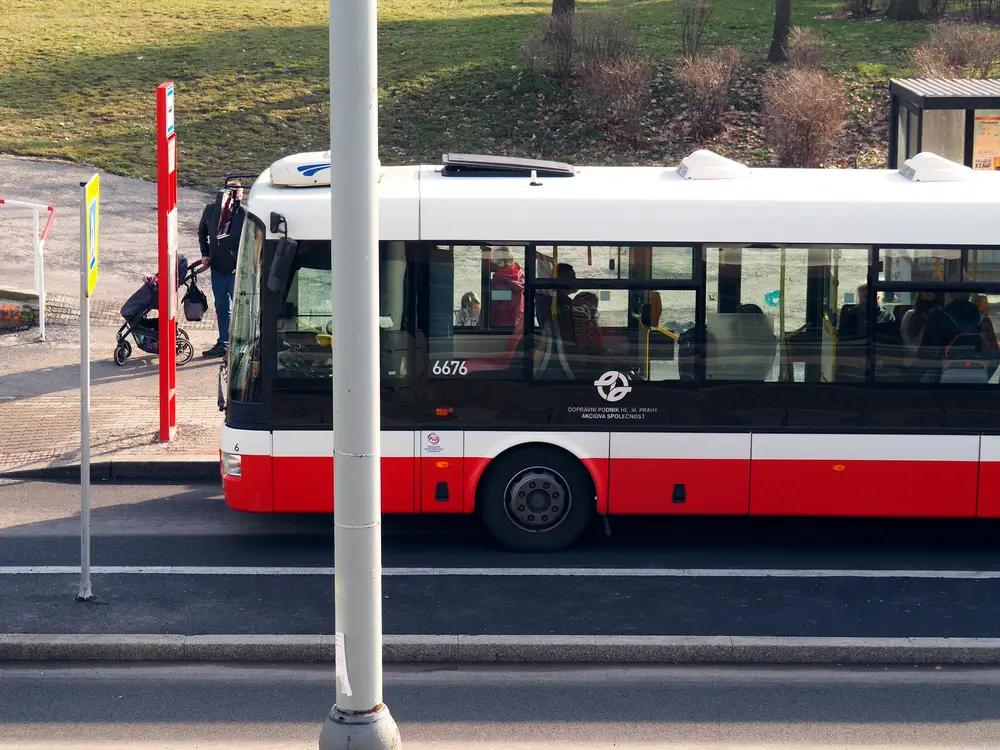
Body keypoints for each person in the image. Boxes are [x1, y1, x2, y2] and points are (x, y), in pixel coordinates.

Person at [199, 185, 245, 357]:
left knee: (241, 310)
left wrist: (243, 263)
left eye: (238, 194)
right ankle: (224, 343)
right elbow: (202, 232)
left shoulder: (244, 214)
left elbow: (252, 240)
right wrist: (205, 253)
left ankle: (240, 345)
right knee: (222, 307)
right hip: (218, 268)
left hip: (236, 270)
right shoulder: (211, 210)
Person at [486, 246, 524, 328]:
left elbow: (490, 311)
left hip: (499, 329)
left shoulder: (498, 284)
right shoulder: (521, 278)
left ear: (501, 263)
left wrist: (478, 329)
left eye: (493, 260)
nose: (490, 263)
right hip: (519, 327)